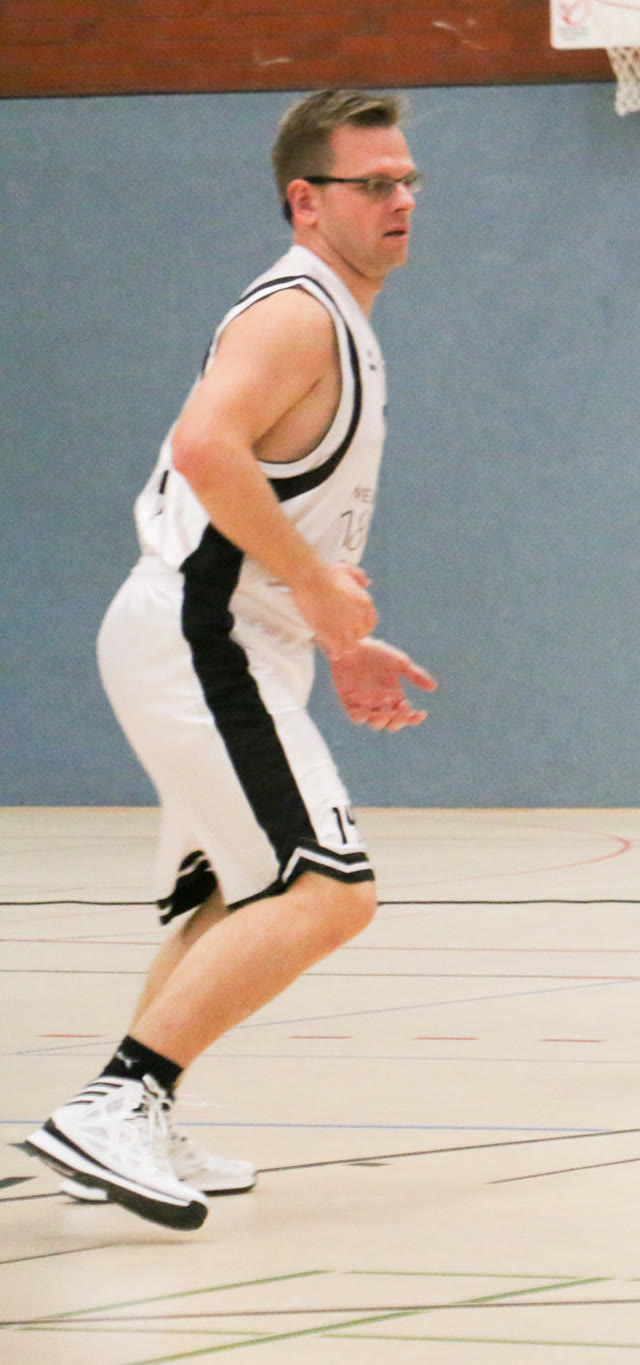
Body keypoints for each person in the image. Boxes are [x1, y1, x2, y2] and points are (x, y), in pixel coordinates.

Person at [26, 89, 437, 1231]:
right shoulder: (299, 313)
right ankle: (117, 1101)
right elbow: (205, 448)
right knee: (328, 891)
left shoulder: (338, 317)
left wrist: (334, 631)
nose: (402, 199)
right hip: (196, 637)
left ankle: (134, 1115)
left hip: (231, 636)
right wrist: (314, 590)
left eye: (408, 180)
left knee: (230, 893)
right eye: (374, 183)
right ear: (307, 202)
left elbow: (269, 502)